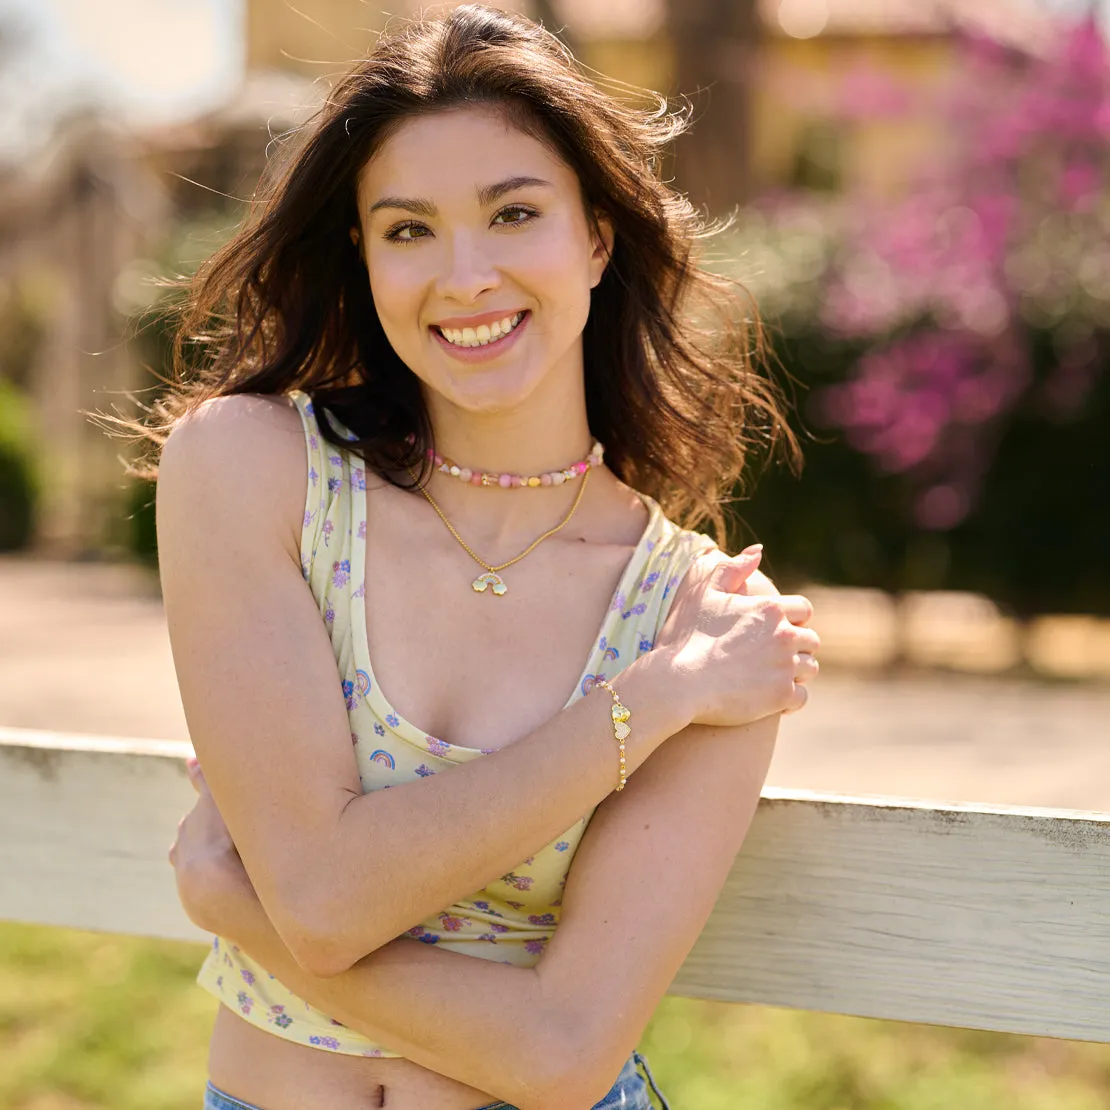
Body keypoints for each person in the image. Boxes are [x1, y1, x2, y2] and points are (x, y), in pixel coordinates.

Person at [148, 6, 819, 1109]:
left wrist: (241, 912)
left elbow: (561, 1055)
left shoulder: (705, 620)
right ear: (359, 255)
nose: (465, 275)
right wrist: (646, 707)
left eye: (514, 213)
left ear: (596, 237)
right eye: (408, 229)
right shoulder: (254, 472)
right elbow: (322, 899)